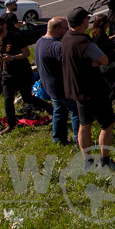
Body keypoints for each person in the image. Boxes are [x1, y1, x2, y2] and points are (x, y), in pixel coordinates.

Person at [62, 7, 115, 170]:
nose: (89, 21)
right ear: (82, 21)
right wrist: (99, 61)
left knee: (84, 124)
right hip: (93, 89)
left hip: (77, 89)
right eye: (87, 18)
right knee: (107, 123)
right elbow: (105, 59)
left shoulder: (67, 38)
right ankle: (105, 160)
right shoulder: (84, 42)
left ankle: (87, 160)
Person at [0, 16, 53, 135]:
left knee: (27, 98)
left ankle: (48, 107)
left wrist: (12, 58)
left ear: (4, 25)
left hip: (22, 71)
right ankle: (10, 125)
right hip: (7, 73)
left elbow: (26, 53)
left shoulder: (15, 37)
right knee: (7, 100)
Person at [35, 17, 80, 145]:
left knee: (59, 111)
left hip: (50, 86)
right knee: (76, 111)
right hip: (63, 86)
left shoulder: (40, 42)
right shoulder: (56, 46)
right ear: (57, 29)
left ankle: (58, 139)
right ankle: (80, 140)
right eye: (66, 28)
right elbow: (71, 64)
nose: (68, 31)